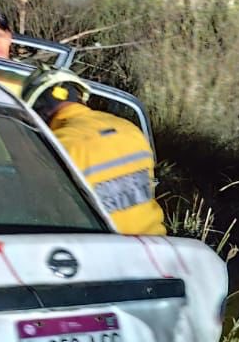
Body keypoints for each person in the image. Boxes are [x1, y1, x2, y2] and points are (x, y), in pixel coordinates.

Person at [24, 72, 166, 235]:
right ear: (82, 99)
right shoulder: (130, 128)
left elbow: (42, 210)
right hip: (155, 242)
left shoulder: (56, 146)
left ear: (37, 114)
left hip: (101, 246)